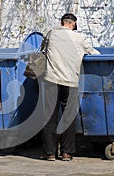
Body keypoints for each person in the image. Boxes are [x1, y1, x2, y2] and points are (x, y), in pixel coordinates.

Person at [40, 13, 100, 161]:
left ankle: (49, 153)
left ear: (62, 23)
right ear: (73, 24)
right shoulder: (79, 38)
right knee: (68, 117)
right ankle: (67, 153)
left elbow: (42, 51)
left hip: (51, 80)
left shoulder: (50, 34)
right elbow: (94, 53)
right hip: (71, 81)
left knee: (49, 117)